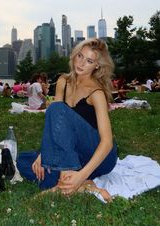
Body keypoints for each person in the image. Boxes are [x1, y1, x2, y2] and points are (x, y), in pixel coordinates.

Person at [17, 38, 117, 196]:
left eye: (89, 61)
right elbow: (56, 125)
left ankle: (71, 179)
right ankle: (82, 186)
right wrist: (44, 154)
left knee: (56, 108)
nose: (81, 63)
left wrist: (81, 175)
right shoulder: (63, 81)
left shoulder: (97, 93)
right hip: (74, 153)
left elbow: (107, 142)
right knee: (23, 160)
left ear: (97, 65)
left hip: (97, 154)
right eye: (80, 56)